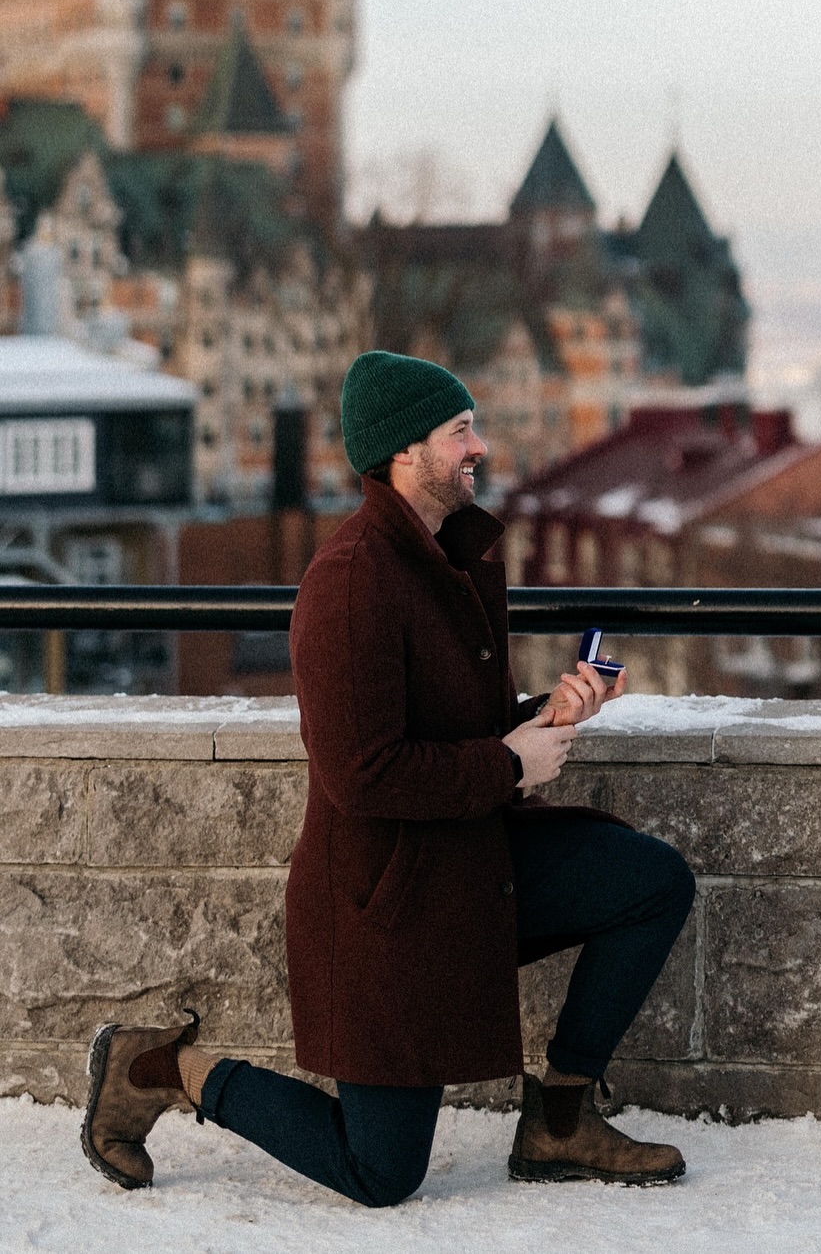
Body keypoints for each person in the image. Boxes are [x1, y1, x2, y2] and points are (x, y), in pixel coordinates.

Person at [82, 350, 695, 1204]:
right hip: (387, 907)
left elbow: (446, 724)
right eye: (459, 432)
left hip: (469, 867)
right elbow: (362, 772)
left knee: (651, 879)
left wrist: (546, 713)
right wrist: (509, 763)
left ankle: (559, 1118)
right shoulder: (351, 581)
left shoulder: (445, 556)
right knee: (380, 1173)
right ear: (405, 451)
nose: (479, 446)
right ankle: (162, 1067)